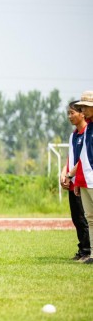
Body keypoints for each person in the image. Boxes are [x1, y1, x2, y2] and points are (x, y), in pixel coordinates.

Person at [60, 101, 90, 262]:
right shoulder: (73, 135)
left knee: (86, 218)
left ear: (82, 113)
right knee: (77, 217)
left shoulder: (88, 133)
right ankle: (82, 249)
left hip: (84, 180)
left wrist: (71, 175)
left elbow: (83, 159)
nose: (69, 116)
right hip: (73, 180)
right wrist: (63, 173)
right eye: (68, 113)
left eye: (72, 113)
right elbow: (70, 158)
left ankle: (87, 251)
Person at [65, 90, 93, 265]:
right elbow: (82, 158)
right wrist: (75, 179)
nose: (84, 110)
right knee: (90, 218)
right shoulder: (87, 129)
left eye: (86, 107)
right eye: (82, 107)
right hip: (86, 180)